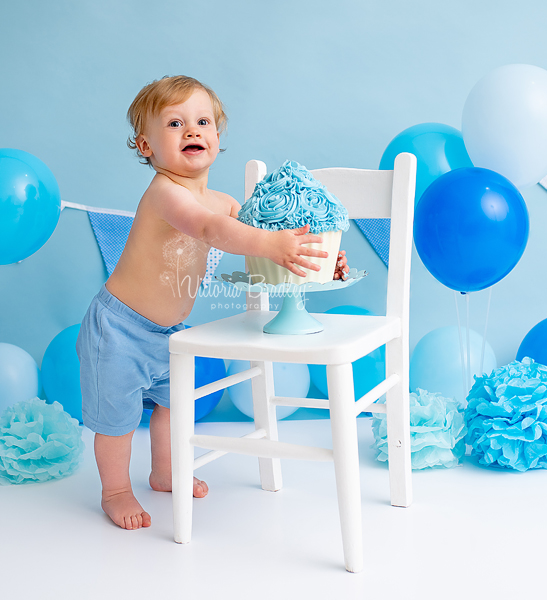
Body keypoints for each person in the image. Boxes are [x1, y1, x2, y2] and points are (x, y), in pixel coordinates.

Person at [77, 75, 347, 530]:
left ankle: (163, 472)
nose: (192, 131)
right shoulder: (167, 194)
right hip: (119, 328)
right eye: (175, 123)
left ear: (218, 138)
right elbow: (207, 230)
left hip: (166, 332)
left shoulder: (222, 201)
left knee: (171, 407)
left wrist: (312, 257)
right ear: (146, 146)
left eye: (203, 121)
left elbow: (262, 229)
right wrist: (268, 243)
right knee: (117, 423)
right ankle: (115, 490)